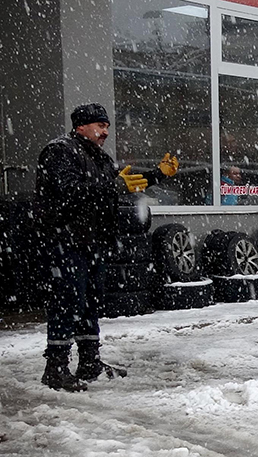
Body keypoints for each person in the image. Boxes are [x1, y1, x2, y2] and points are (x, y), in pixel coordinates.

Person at [36, 103, 178, 391]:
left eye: (107, 127)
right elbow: (71, 191)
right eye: (100, 126)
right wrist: (114, 186)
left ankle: (89, 362)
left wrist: (157, 175)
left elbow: (123, 184)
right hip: (65, 241)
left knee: (90, 302)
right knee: (68, 302)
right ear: (81, 126)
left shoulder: (98, 157)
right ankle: (56, 368)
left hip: (92, 241)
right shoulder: (59, 151)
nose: (105, 132)